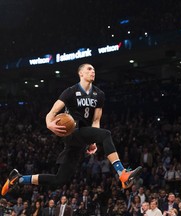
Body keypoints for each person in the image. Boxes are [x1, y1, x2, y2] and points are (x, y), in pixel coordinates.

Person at [1, 63, 142, 196]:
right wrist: (49, 124)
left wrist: (93, 141)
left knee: (60, 179)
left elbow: (96, 120)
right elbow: (51, 114)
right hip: (72, 131)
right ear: (80, 73)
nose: (93, 71)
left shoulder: (99, 94)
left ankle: (18, 179)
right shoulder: (70, 92)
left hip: (81, 136)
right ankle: (122, 173)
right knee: (106, 134)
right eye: (89, 69)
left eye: (94, 70)